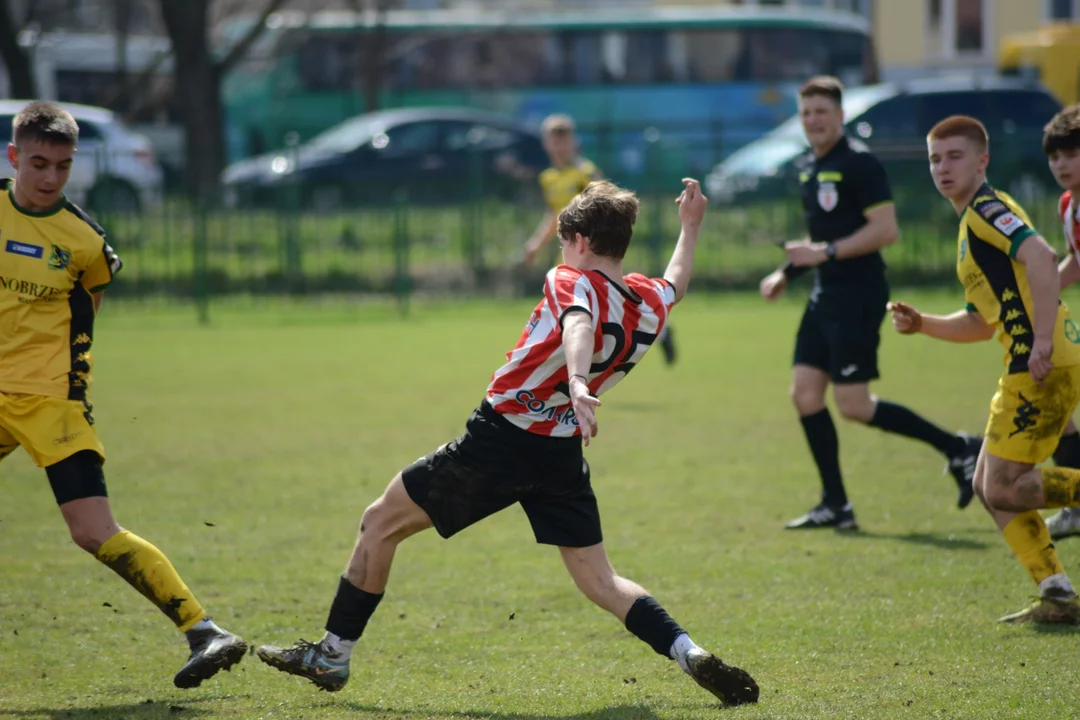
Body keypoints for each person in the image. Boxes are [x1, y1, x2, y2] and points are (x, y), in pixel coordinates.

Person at [256, 179, 760, 707]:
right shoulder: (649, 301)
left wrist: (579, 381)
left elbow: (578, 325)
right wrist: (691, 227)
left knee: (379, 522)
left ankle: (332, 654)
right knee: (602, 581)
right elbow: (676, 279)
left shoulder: (571, 279)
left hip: (499, 441)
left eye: (565, 240)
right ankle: (688, 650)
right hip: (561, 452)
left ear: (582, 240)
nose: (562, 250)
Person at [0, 102, 247, 685]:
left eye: (62, 165)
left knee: (91, 530)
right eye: (38, 163)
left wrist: (70, 383)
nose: (51, 177)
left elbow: (88, 314)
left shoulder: (84, 242)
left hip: (49, 402)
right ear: (14, 157)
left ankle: (204, 631)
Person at [758, 76, 981, 531]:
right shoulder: (809, 167)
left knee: (854, 405)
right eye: (805, 113)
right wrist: (787, 272)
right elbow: (822, 241)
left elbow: (885, 231)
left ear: (841, 115)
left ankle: (958, 447)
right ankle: (836, 504)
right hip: (825, 294)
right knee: (804, 395)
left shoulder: (861, 164)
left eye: (822, 111)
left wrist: (825, 253)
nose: (813, 121)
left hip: (858, 296)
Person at [888, 114, 1080, 623]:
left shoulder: (987, 210)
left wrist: (1039, 340)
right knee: (985, 485)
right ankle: (1057, 593)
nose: (943, 167)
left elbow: (1041, 256)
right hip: (1033, 357)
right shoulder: (970, 220)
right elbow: (980, 320)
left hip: (1041, 359)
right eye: (934, 158)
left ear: (982, 161)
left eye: (955, 156)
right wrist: (923, 322)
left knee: (1000, 487)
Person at [524, 113, 677, 366]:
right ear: (546, 143)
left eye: (563, 139)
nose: (559, 146)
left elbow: (608, 207)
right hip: (568, 250)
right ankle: (567, 358)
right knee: (567, 302)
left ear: (573, 141)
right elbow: (554, 216)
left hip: (593, 251)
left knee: (614, 301)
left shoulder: (586, 173)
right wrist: (535, 244)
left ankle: (659, 329)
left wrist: (603, 244)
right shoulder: (548, 178)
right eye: (554, 140)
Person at [1038, 104, 1080, 541]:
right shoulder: (1068, 205)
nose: (1061, 164)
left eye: (1071, 154)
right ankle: (1075, 504)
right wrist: (1042, 295)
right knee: (1057, 405)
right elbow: (1076, 261)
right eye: (1055, 157)